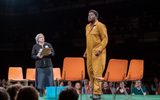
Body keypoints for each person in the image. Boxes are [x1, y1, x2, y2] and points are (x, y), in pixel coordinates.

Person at [83, 9, 108, 99]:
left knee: (97, 72)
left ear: (96, 16)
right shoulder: (87, 27)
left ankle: (97, 93)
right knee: (90, 72)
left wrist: (100, 49)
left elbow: (105, 39)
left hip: (98, 53)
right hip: (89, 53)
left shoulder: (100, 25)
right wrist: (86, 51)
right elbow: (89, 41)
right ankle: (94, 92)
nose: (89, 16)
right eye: (88, 15)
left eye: (91, 15)